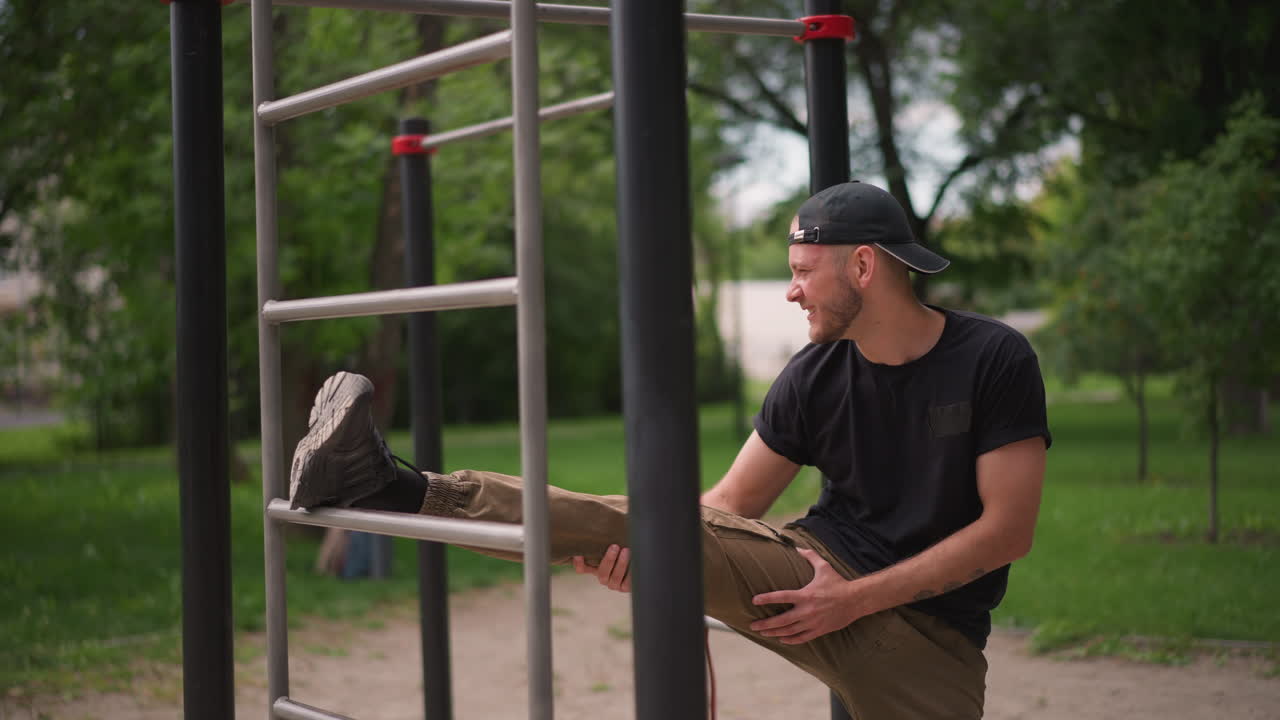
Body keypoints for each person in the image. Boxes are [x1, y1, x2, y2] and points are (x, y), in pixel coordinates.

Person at [287, 181, 1050, 719]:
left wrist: (854, 600)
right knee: (653, 524)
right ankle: (393, 485)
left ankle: (388, 482)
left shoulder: (992, 359)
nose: (791, 293)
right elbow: (727, 508)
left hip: (928, 633)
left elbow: (1007, 530)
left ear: (862, 266)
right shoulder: (812, 376)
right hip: (804, 573)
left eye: (800, 273)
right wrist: (648, 558)